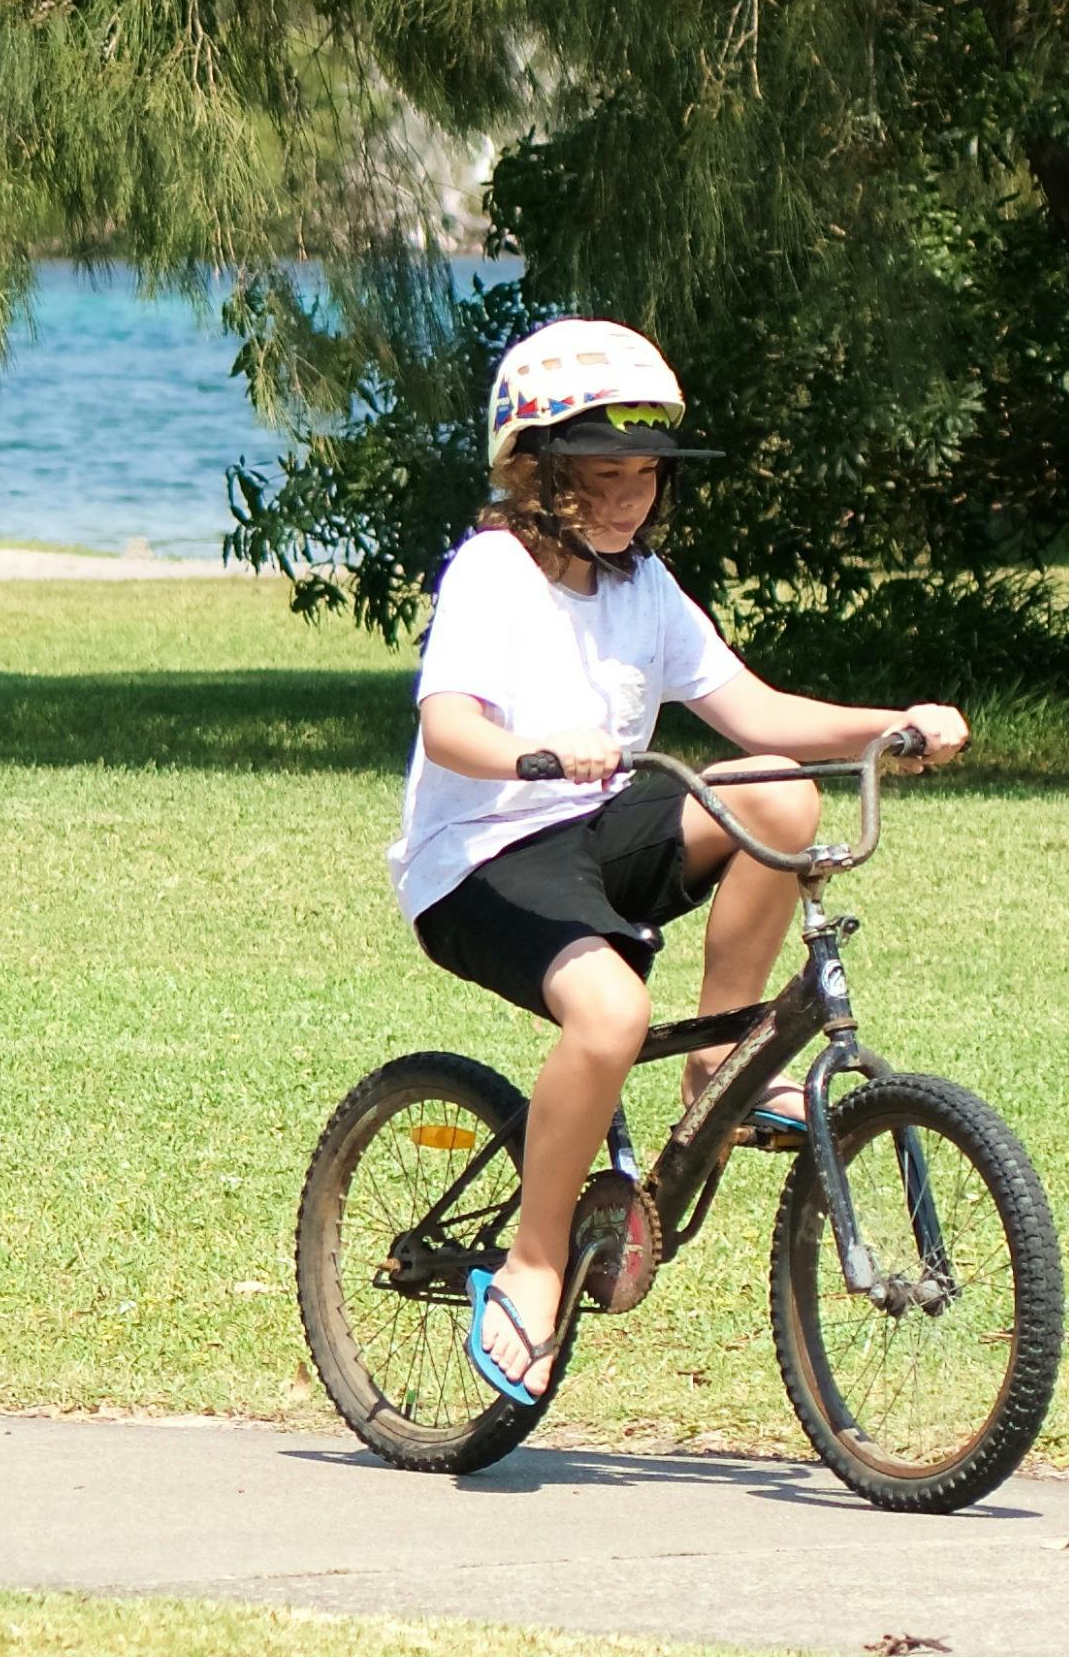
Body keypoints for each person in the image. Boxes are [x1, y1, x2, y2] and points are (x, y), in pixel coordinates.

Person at [394, 316, 966, 1405]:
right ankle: (533, 1261)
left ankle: (720, 1072)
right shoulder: (491, 574)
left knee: (779, 793)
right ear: (535, 470)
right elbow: (447, 728)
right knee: (607, 1019)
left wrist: (891, 724)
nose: (626, 499)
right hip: (481, 858)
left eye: (645, 478)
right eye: (600, 476)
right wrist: (538, 753)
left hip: (594, 836)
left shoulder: (641, 589)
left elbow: (753, 710)